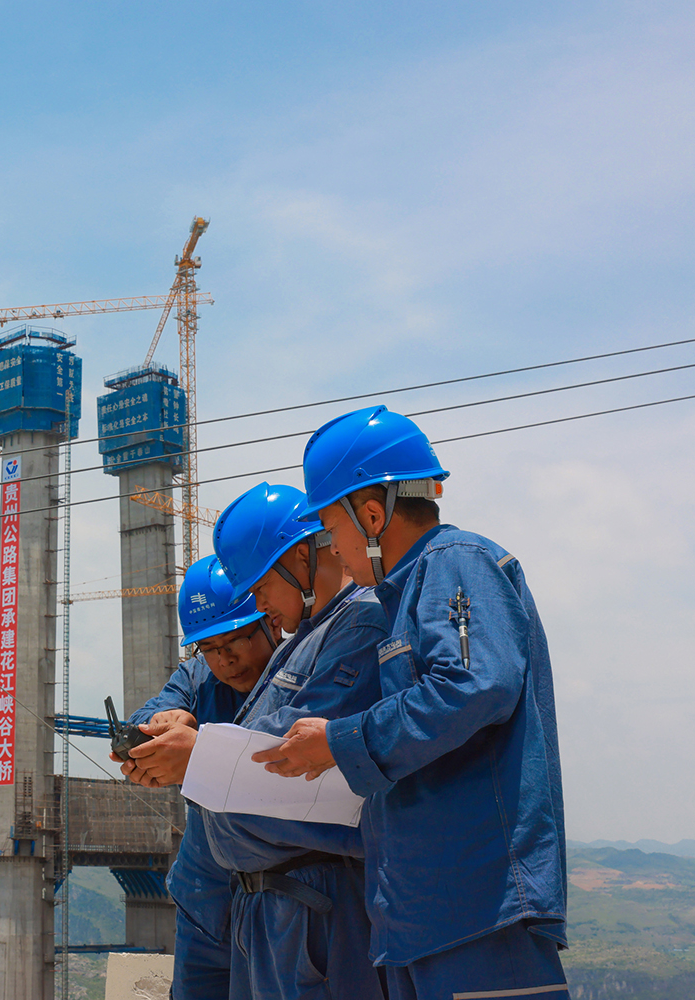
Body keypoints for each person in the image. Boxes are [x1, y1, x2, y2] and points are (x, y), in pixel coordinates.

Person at [253, 405, 567, 1000]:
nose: (333, 549)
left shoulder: (456, 562)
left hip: (480, 913)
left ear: (372, 514)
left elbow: (476, 685)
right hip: (417, 921)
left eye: (332, 528)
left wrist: (338, 741)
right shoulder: (401, 597)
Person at [203, 482, 388, 1000]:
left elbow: (292, 749)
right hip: (267, 907)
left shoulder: (362, 623)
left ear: (301, 555)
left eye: (260, 584)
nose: (258, 603)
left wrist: (198, 754)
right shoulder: (304, 638)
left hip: (318, 902)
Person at [115, 555, 278, 1000]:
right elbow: (148, 716)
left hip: (280, 898)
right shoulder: (197, 677)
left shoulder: (299, 673)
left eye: (235, 642)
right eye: (209, 648)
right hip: (204, 896)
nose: (225, 660)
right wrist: (159, 723)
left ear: (270, 621)